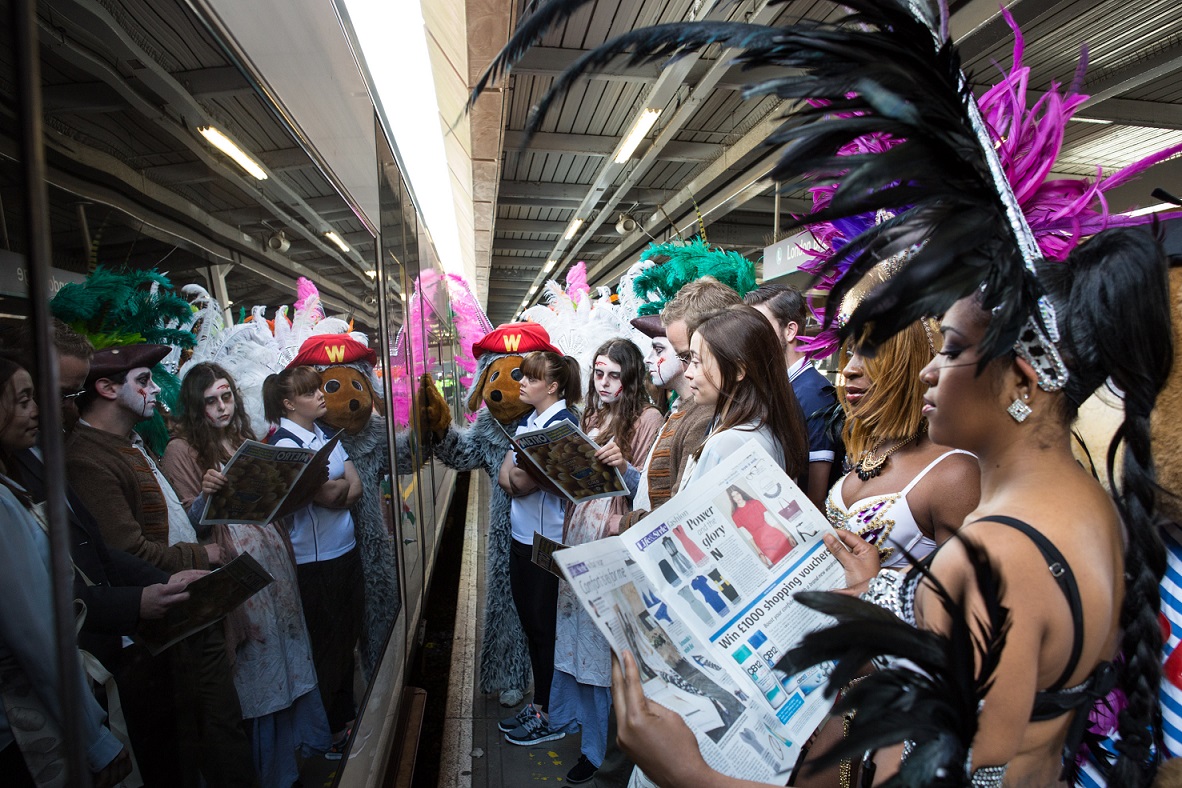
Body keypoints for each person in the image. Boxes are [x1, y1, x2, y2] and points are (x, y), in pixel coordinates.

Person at [10, 322, 202, 787]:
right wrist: (139, 599)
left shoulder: (43, 455)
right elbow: (37, 613)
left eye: (72, 395)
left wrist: (153, 585)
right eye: (57, 395)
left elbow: (94, 547)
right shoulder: (56, 462)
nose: (60, 410)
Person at [65, 343, 256, 787]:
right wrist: (202, 554)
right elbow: (127, 550)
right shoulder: (88, 458)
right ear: (107, 388)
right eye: (144, 381)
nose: (155, 390)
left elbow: (168, 521)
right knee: (196, 737)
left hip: (189, 603)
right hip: (164, 616)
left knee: (221, 726)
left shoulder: (127, 443)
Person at [163, 362, 331, 785]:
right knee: (257, 671)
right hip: (237, 575)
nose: (221, 408)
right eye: (210, 401)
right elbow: (185, 527)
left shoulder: (244, 439)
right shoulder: (181, 451)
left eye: (226, 397)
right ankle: (269, 772)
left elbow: (270, 502)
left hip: (274, 564)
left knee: (287, 655)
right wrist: (205, 495)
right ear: (194, 407)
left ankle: (292, 761)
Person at [0, 354, 132, 788]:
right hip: (29, 728)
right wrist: (93, 739)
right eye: (22, 401)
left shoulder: (15, 477)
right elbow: (37, 633)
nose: (36, 409)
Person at [548, 339, 663, 784]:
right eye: (599, 374)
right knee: (577, 638)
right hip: (580, 529)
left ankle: (603, 753)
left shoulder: (649, 418)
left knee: (603, 648)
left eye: (615, 375)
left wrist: (626, 470)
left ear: (632, 377)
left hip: (612, 539)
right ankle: (587, 738)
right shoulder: (591, 415)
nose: (605, 383)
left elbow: (651, 490)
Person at [262, 365, 363, 759]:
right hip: (314, 561)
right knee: (327, 644)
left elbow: (351, 488)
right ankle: (333, 730)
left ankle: (346, 713)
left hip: (344, 548)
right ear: (288, 404)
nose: (320, 396)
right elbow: (328, 495)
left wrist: (341, 489)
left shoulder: (324, 435)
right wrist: (340, 490)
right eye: (308, 393)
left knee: (346, 638)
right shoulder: (285, 444)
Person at [826, 320, 980, 569]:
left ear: (914, 364)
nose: (849, 370)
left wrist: (875, 587)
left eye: (871, 352)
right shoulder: (875, 448)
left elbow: (967, 599)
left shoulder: (955, 474)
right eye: (852, 351)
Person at [497, 350, 580, 746]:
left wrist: (516, 476)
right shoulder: (530, 421)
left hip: (548, 544)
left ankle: (550, 713)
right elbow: (507, 477)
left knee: (546, 629)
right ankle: (542, 702)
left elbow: (523, 482)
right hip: (523, 537)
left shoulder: (564, 424)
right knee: (533, 626)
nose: (522, 384)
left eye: (531, 378)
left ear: (554, 386)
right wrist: (516, 475)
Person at [679, 305, 807, 490]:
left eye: (697, 362)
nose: (688, 373)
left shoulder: (728, 442)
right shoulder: (768, 429)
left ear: (738, 370)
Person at [745, 284, 838, 508]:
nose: (750, 335)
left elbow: (816, 496)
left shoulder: (814, 394)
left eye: (761, 326)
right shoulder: (778, 388)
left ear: (790, 331)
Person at [726, 485, 797, 567]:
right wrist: (759, 553)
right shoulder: (735, 516)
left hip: (777, 537)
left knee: (794, 559)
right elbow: (748, 536)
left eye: (737, 493)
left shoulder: (755, 503)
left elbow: (771, 521)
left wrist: (788, 535)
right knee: (782, 566)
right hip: (763, 544)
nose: (737, 497)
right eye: (733, 496)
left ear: (741, 493)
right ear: (732, 499)